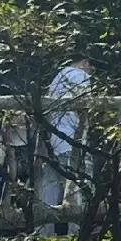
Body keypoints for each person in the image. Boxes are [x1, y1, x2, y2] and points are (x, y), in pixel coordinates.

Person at [36, 59, 93, 219]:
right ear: (85, 63)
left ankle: (43, 230)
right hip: (72, 140)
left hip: (52, 142)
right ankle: (77, 230)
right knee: (78, 191)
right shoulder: (80, 75)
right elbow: (85, 106)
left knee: (50, 191)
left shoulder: (57, 78)